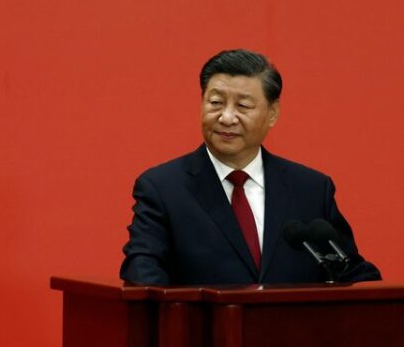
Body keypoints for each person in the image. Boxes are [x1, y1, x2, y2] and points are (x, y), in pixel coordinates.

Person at [119, 49, 381, 285]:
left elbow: (350, 271)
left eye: (242, 106)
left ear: (273, 113)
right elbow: (143, 272)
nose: (227, 117)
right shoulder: (163, 188)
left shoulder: (311, 189)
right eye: (215, 103)